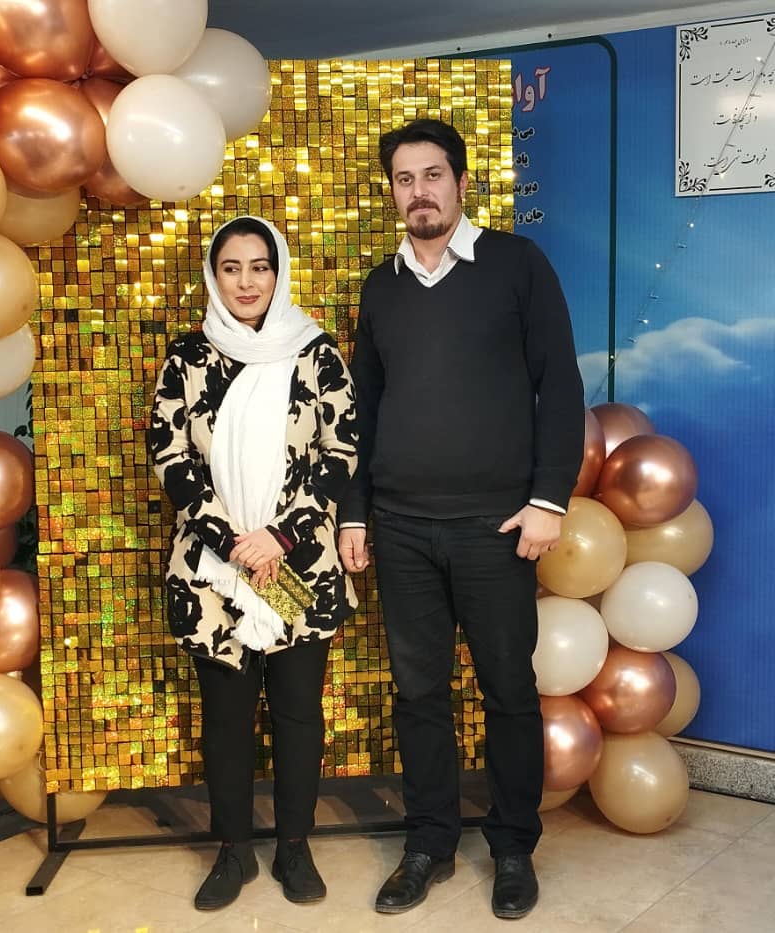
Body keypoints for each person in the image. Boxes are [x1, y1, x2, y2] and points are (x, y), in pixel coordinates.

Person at [337, 119, 584, 920]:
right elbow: (363, 410)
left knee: (508, 690)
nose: (420, 191)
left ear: (462, 182)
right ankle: (429, 843)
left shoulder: (516, 264)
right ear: (393, 192)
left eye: (433, 174)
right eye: (405, 179)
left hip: (497, 527)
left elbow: (561, 385)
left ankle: (512, 846)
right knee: (419, 695)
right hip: (402, 528)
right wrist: (356, 513)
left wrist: (548, 500)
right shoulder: (381, 287)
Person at [148, 215, 359, 911]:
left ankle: (294, 846)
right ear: (214, 276)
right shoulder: (188, 357)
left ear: (279, 272)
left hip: (294, 563)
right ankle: (233, 849)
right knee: (227, 718)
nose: (246, 281)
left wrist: (280, 536)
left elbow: (341, 452)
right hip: (214, 571)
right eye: (231, 267)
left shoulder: (316, 353)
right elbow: (169, 453)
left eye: (259, 266)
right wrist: (232, 539)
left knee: (298, 712)